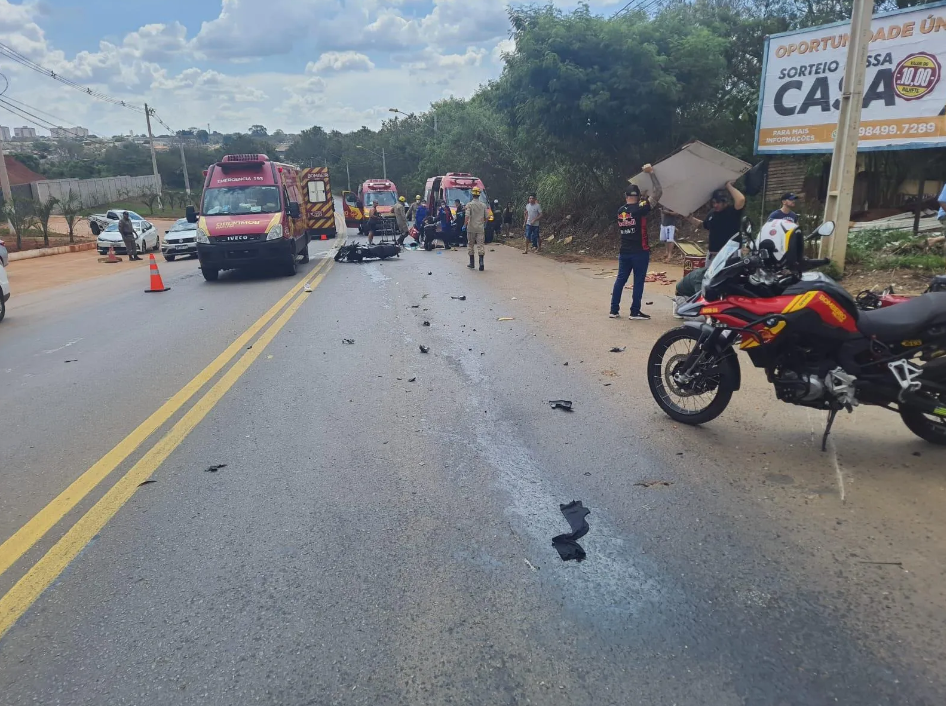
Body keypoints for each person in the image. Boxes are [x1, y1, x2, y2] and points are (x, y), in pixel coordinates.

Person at [610, 164, 662, 321]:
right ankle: (634, 312)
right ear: (638, 197)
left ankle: (614, 310)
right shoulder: (641, 208)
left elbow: (635, 205)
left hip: (624, 252)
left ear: (626, 196)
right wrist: (651, 173)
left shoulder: (621, 211)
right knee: (638, 281)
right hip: (640, 252)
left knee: (620, 280)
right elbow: (658, 192)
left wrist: (641, 198)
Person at [691, 181, 746, 266]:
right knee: (707, 278)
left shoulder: (732, 212)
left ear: (725, 202)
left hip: (728, 256)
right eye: (713, 202)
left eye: (718, 202)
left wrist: (728, 186)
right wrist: (689, 218)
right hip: (711, 256)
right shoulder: (712, 213)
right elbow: (704, 225)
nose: (715, 205)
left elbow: (741, 199)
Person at [465, 187, 488, 271]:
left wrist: (464, 225)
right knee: (480, 245)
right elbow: (487, 217)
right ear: (479, 195)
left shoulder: (469, 205)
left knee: (470, 245)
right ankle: (481, 263)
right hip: (480, 228)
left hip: (471, 228)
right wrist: (483, 223)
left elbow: (467, 216)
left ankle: (472, 263)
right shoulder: (483, 205)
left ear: (472, 194)